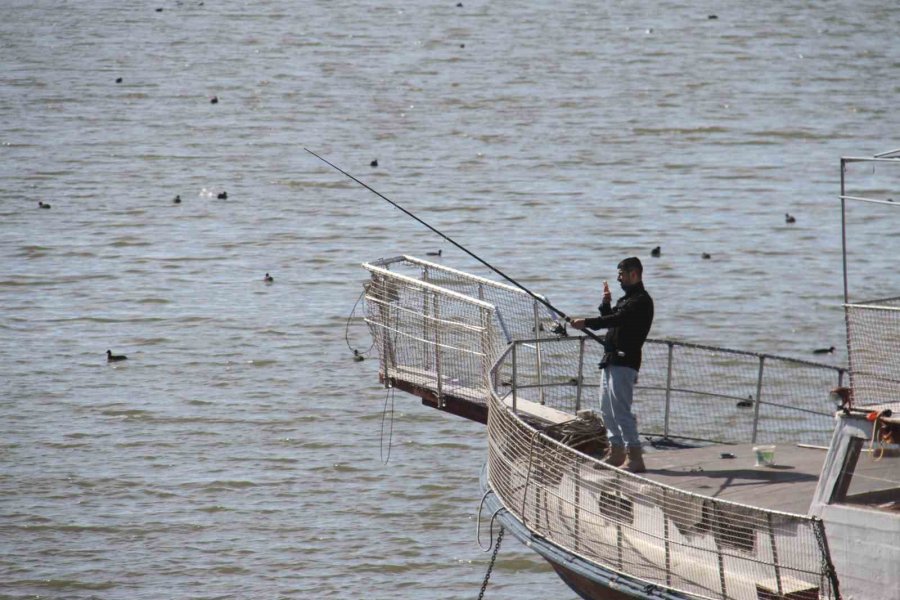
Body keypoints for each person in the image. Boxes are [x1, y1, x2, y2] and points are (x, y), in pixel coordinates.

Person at [571, 257, 654, 473]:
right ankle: (616, 452)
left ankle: (635, 457)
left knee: (621, 410)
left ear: (633, 274)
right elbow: (612, 318)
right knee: (606, 409)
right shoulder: (626, 300)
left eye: (621, 274)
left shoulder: (641, 301)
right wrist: (605, 303)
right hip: (611, 361)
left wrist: (586, 323)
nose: (618, 279)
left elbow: (615, 320)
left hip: (625, 362)